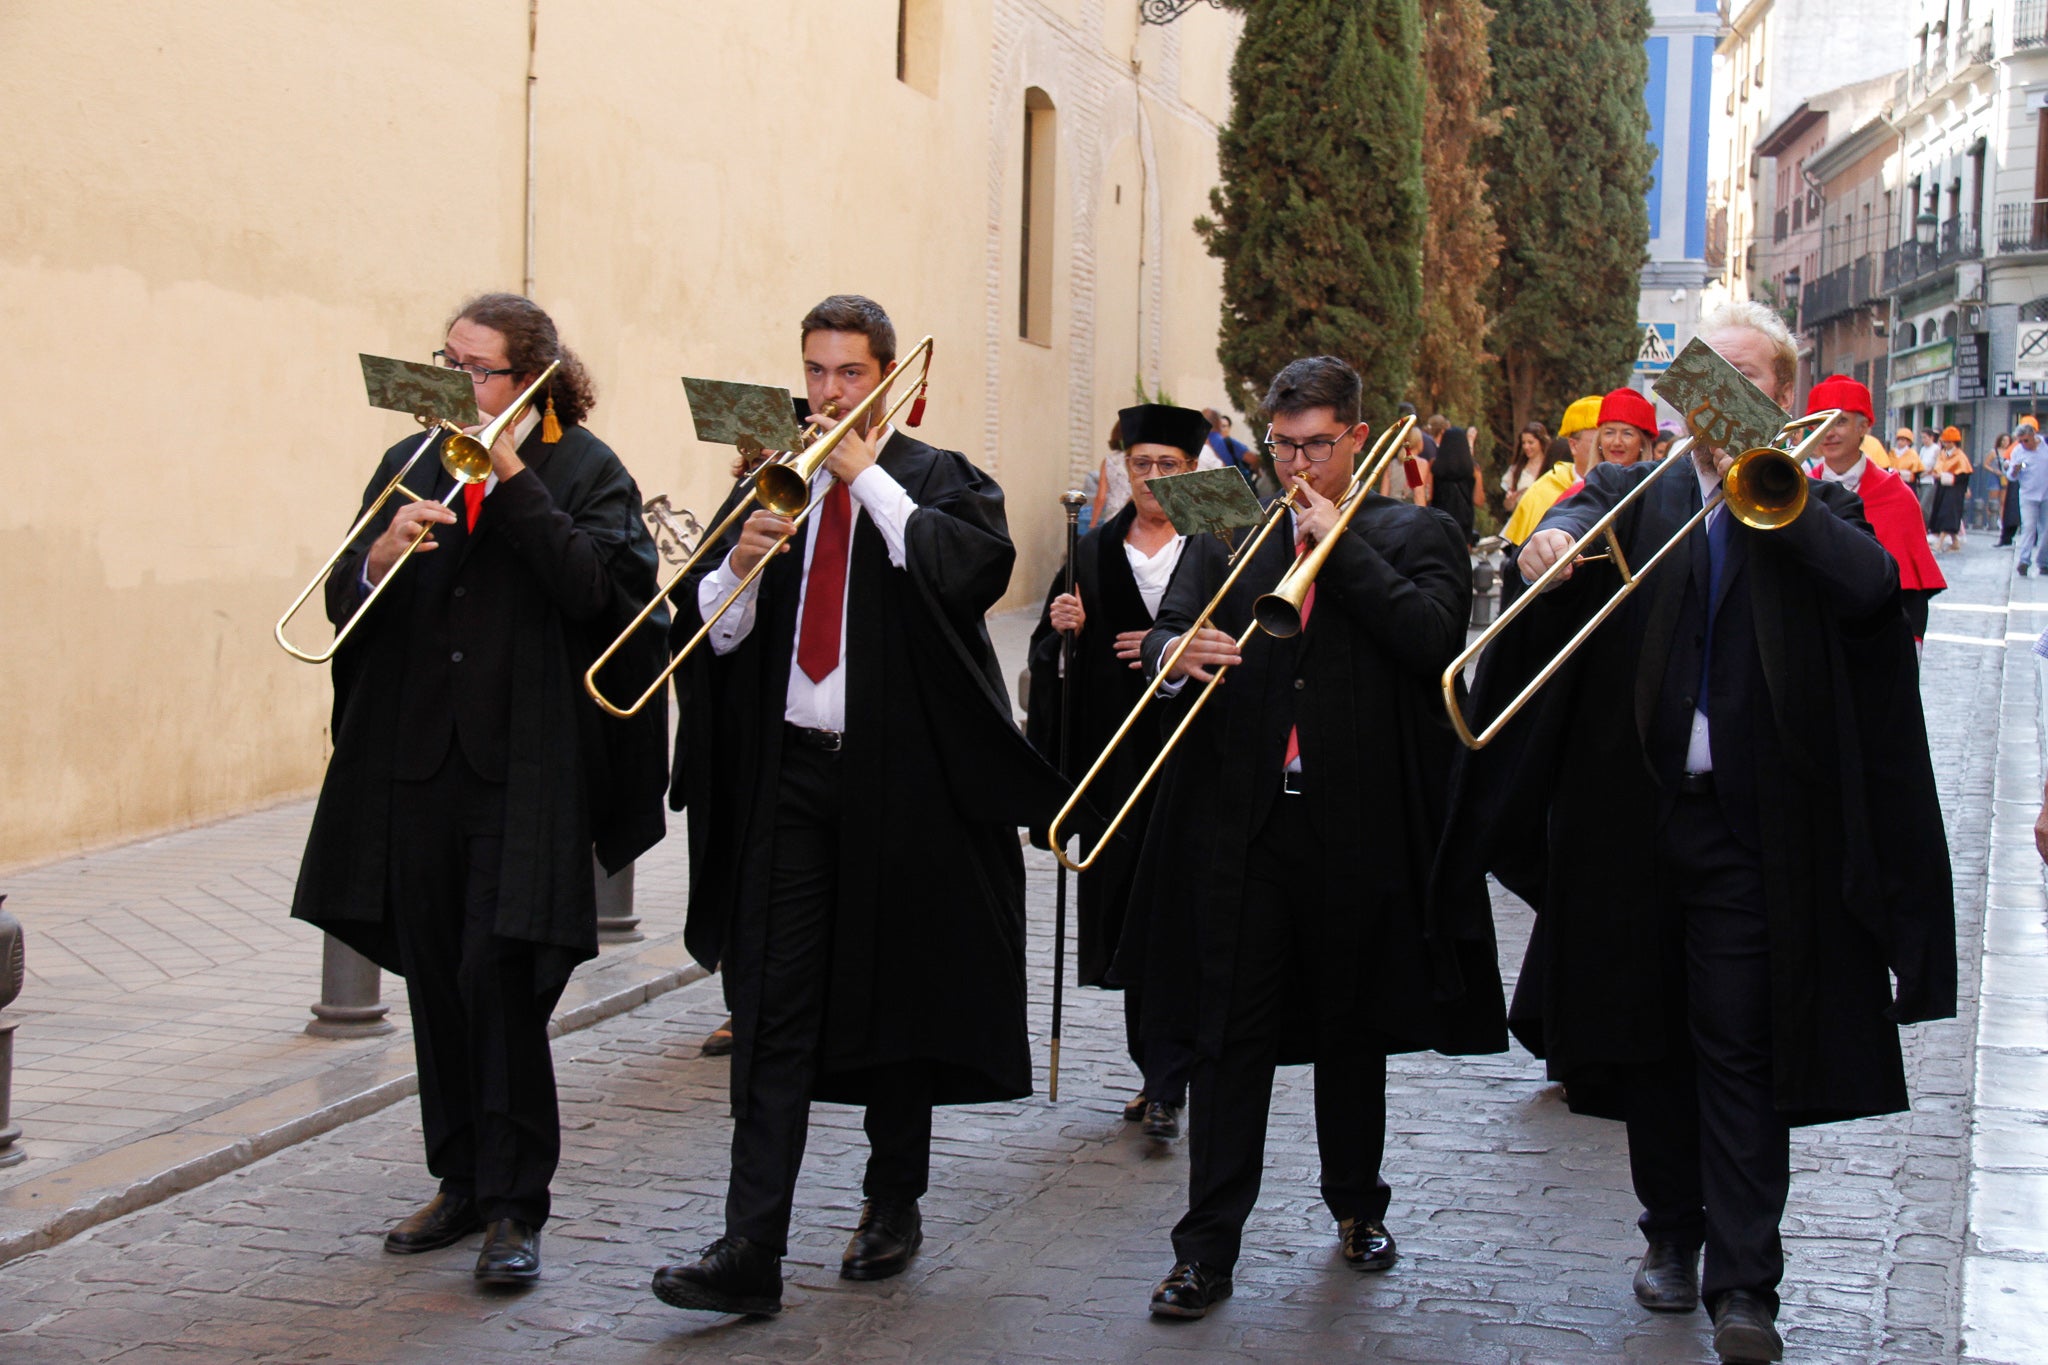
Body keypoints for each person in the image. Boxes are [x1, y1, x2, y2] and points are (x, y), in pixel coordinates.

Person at [1451, 300, 1954, 1364]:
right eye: (1703, 380)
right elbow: (1552, 567)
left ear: (1777, 397)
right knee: (1650, 1043)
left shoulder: (1811, 504)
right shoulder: (1633, 497)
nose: (1717, 399)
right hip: (1636, 830)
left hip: (1749, 839)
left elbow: (1869, 592)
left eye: (1743, 381)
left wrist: (1779, 499)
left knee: (1738, 1050)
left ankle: (1744, 1286)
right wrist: (1544, 549)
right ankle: (1666, 1239)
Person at [653, 295, 1064, 1317]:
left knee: (900, 994)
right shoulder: (766, 484)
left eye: (848, 375)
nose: (828, 393)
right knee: (773, 1009)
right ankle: (750, 1247)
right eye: (816, 373)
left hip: (905, 783)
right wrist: (737, 574)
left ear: (888, 383)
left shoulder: (940, 482)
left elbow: (967, 574)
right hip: (791, 778)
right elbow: (709, 642)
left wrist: (860, 477)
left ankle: (891, 1201)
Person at [292, 293, 669, 1286]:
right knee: (438, 990)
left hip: (524, 779)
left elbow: (599, 593)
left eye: (477, 369)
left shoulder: (587, 471)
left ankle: (515, 1207)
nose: (456, 385)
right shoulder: (404, 466)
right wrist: (373, 561)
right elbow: (342, 603)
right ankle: (458, 1183)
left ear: (531, 380)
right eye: (446, 362)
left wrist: (506, 480)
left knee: (500, 987)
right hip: (416, 770)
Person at [1123, 356, 1504, 1320]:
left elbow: (1430, 640)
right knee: (1229, 1040)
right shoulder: (1230, 536)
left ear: (1358, 441)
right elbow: (1169, 629)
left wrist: (1340, 543)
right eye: (1283, 445)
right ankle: (1205, 1251)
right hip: (1246, 827)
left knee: (1350, 1028)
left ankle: (1356, 1205)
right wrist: (1178, 654)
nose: (1297, 463)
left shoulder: (1417, 532)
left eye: (1316, 446)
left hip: (1358, 826)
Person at [1025, 404, 1224, 1142]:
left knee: (1187, 914)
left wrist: (1179, 645)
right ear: (1123, 469)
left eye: (1168, 464)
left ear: (1191, 471)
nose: (1152, 477)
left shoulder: (1221, 543)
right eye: (1140, 463)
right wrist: (1061, 632)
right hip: (1117, 768)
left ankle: (1176, 1072)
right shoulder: (1093, 550)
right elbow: (1049, 668)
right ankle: (1156, 1070)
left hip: (1199, 758)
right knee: (1136, 918)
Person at [1803, 376, 1945, 647]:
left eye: (1839, 421)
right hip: (1813, 634)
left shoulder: (1898, 496)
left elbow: (1910, 592)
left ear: (1864, 427)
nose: (1828, 433)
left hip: (1877, 640)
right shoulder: (1795, 489)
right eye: (1819, 423)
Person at [1431, 416, 1480, 544]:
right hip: (1464, 525)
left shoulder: (1435, 467)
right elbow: (1479, 500)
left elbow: (1429, 496)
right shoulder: (1473, 470)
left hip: (1439, 522)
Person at [2010, 423, 2048, 576]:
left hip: (2046, 494)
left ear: (2034, 436)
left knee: (2046, 530)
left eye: (2026, 440)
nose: (2023, 444)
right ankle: (2024, 561)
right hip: (2028, 495)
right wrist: (2014, 470)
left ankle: (2044, 561)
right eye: (2020, 441)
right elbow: (2011, 476)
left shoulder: (2045, 445)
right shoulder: (2018, 452)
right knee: (2029, 527)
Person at [1929, 427, 1973, 553]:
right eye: (1945, 442)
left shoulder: (1960, 456)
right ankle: (1955, 543)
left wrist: (1944, 476)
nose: (1946, 444)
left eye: (1949, 442)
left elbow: (1963, 475)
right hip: (1942, 488)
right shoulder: (1943, 454)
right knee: (1942, 512)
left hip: (1954, 490)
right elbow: (1938, 467)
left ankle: (1940, 542)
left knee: (1947, 513)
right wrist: (1938, 475)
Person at [1594, 388, 1658, 466]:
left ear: (1642, 443)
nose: (1617, 442)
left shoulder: (1658, 478)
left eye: (1627, 434)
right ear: (1599, 440)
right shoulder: (1587, 478)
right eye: (1609, 433)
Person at [1502, 422, 1552, 512]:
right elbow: (1508, 507)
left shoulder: (1552, 467)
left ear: (1541, 442)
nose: (1526, 446)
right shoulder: (1516, 470)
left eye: (1530, 442)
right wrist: (1510, 501)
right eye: (1524, 443)